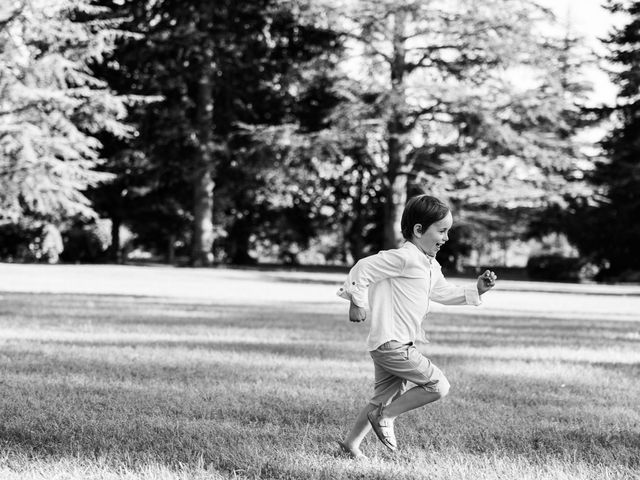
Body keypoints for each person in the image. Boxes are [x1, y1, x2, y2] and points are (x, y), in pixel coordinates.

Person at [335, 194, 497, 459]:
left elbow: (442, 292)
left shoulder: (429, 264)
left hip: (393, 343)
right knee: (437, 385)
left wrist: (476, 290)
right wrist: (356, 302)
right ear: (418, 230)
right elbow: (363, 268)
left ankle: (351, 444)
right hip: (391, 343)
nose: (445, 238)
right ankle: (385, 417)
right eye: (441, 231)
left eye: (448, 231)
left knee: (381, 397)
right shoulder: (404, 258)